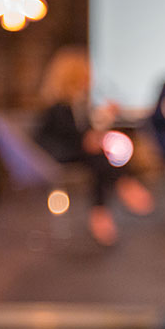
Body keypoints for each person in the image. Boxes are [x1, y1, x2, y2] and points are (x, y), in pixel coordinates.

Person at [34, 46, 153, 246]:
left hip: (81, 154)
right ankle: (123, 185)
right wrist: (87, 141)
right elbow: (65, 137)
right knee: (99, 159)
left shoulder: (78, 105)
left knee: (101, 158)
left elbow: (86, 133)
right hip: (58, 156)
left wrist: (102, 122)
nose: (90, 79)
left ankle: (103, 209)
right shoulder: (58, 108)